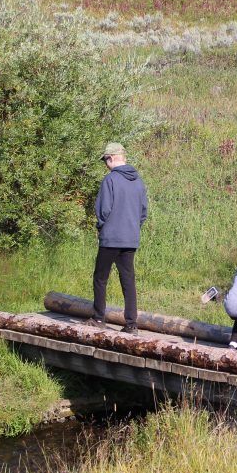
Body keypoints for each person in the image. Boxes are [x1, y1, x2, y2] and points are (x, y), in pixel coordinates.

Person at [92, 142, 148, 334]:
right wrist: (132, 228)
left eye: (106, 160)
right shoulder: (138, 181)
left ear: (111, 158)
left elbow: (103, 210)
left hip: (111, 238)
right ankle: (131, 324)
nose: (106, 164)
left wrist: (101, 227)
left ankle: (99, 319)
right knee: (128, 280)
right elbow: (143, 212)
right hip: (130, 238)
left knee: (100, 278)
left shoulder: (110, 180)